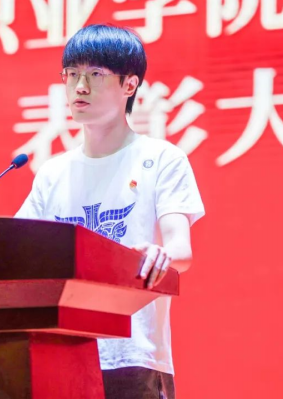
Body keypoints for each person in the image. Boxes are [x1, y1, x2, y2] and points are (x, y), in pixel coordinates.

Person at [15, 24, 205, 399]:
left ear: (129, 85)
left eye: (96, 74)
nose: (80, 86)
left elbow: (180, 251)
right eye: (72, 74)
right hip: (59, 352)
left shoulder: (161, 158)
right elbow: (13, 249)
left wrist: (159, 255)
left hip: (132, 357)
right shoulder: (53, 172)